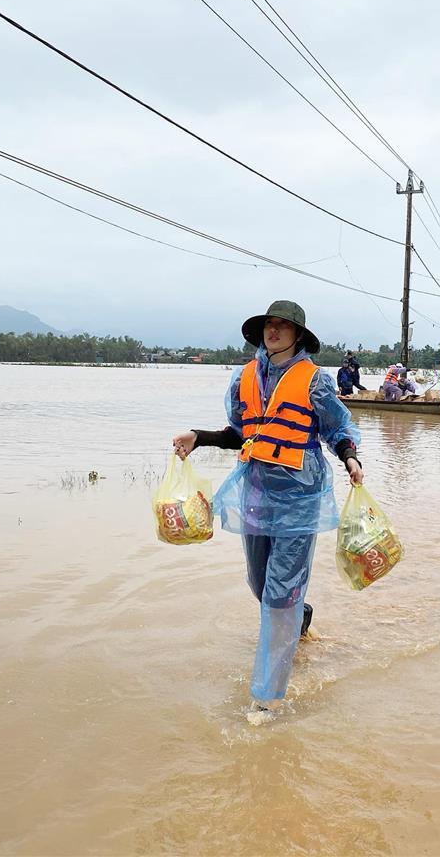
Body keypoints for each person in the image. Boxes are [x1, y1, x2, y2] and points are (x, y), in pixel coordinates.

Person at [172, 300, 363, 714]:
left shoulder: (315, 381)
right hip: (257, 495)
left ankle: (267, 699)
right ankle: (302, 616)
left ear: (298, 335)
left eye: (282, 326)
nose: (273, 331)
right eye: (269, 325)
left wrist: (350, 456)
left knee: (278, 596)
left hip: (300, 498)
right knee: (260, 586)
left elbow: (336, 429)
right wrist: (197, 436)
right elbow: (240, 433)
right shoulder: (245, 377)